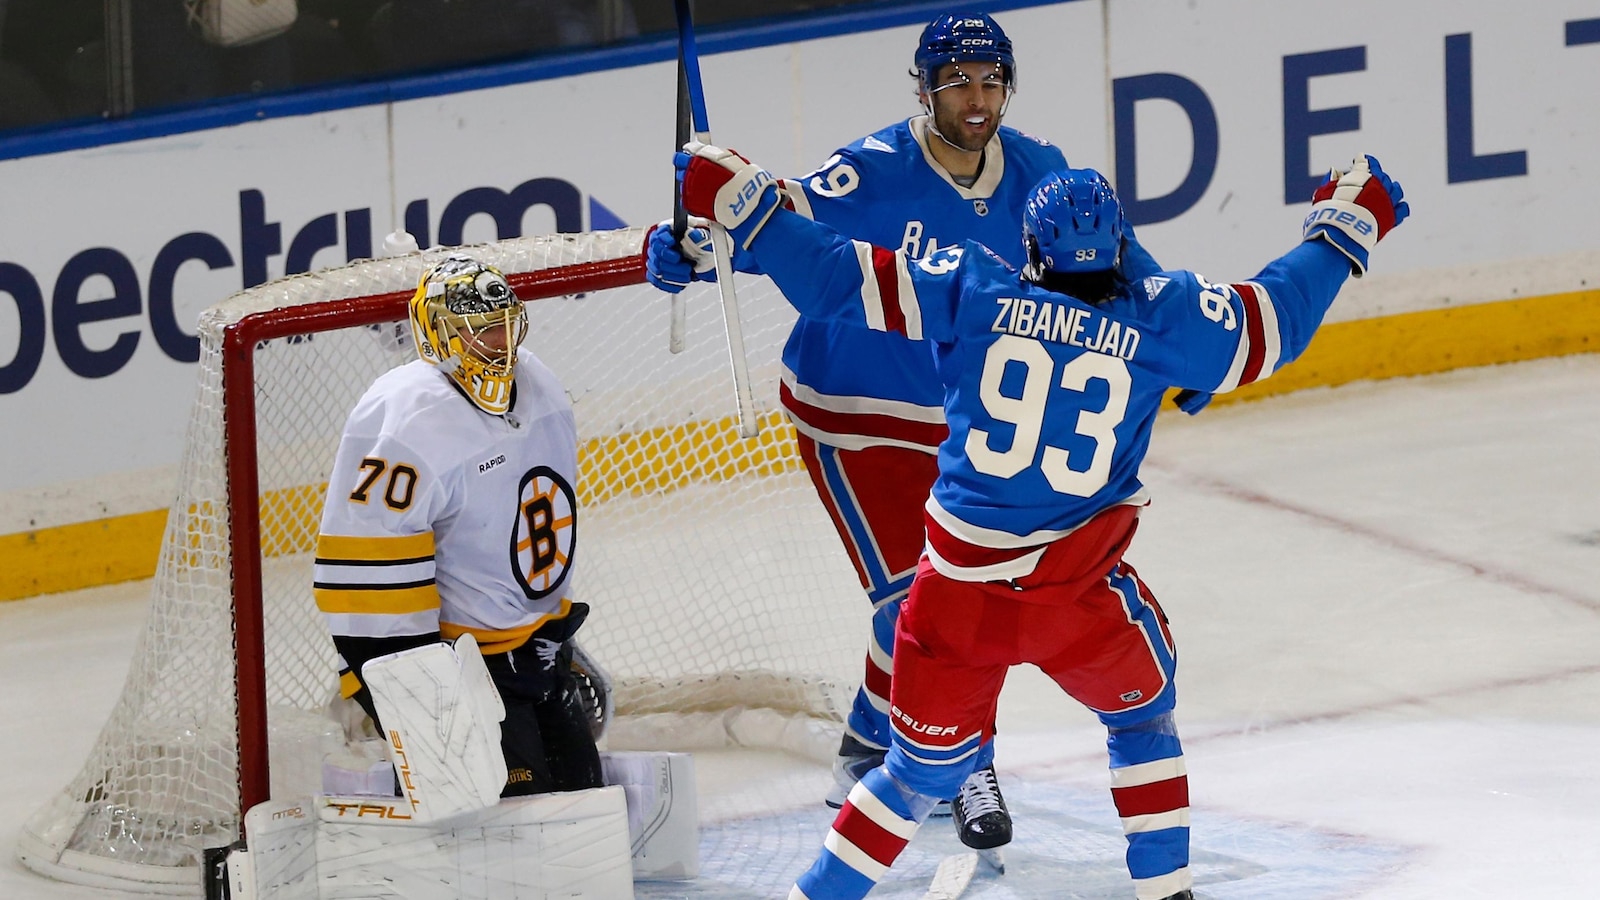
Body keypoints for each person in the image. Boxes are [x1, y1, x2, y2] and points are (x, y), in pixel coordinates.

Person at [674, 141, 1409, 899]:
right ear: (1119, 244)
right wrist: (1342, 230)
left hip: (955, 605)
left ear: (1029, 247)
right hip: (1077, 601)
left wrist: (746, 206)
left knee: (914, 777)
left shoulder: (973, 288)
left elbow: (836, 277)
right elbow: (1273, 321)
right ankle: (1167, 892)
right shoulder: (1165, 319)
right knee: (1142, 723)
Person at [645, 11, 1163, 852]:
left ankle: (864, 746)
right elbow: (776, 223)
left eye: (990, 81)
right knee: (924, 603)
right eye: (957, 82)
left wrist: (1174, 350)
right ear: (924, 90)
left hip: (965, 429)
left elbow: (1120, 261)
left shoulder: (1042, 170)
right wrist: (691, 249)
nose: (976, 99)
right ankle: (969, 764)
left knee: (948, 599)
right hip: (854, 419)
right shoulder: (870, 169)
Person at [313, 253, 604, 799]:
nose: (498, 343)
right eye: (478, 330)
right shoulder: (406, 419)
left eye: (503, 326)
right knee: (498, 819)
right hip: (456, 664)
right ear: (438, 336)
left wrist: (557, 631)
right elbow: (364, 583)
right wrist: (417, 697)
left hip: (536, 653)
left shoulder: (540, 385)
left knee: (584, 798)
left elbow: (519, 529)